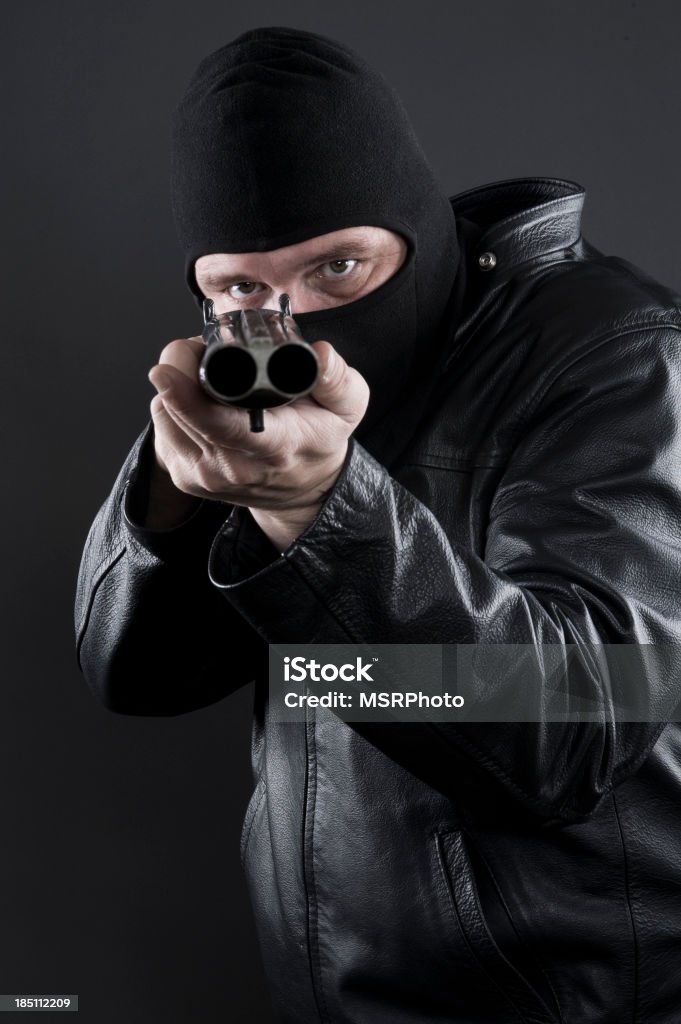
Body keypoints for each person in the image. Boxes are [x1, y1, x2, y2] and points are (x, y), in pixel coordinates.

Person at [74, 25, 681, 1024]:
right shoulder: (251, 382)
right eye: (242, 289)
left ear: (417, 233)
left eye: (340, 271)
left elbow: (580, 724)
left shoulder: (608, 349)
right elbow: (129, 675)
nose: (294, 323)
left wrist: (317, 508)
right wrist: (175, 495)